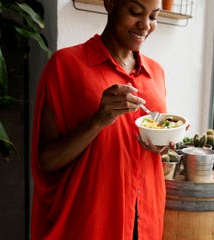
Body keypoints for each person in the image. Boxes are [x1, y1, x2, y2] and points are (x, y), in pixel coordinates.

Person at [30, 0, 171, 239]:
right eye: (136, 12)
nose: (145, 25)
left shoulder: (156, 73)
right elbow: (46, 161)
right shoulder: (65, 66)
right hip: (89, 224)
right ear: (110, 4)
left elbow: (148, 152)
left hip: (145, 220)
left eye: (154, 16)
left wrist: (163, 145)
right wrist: (98, 120)